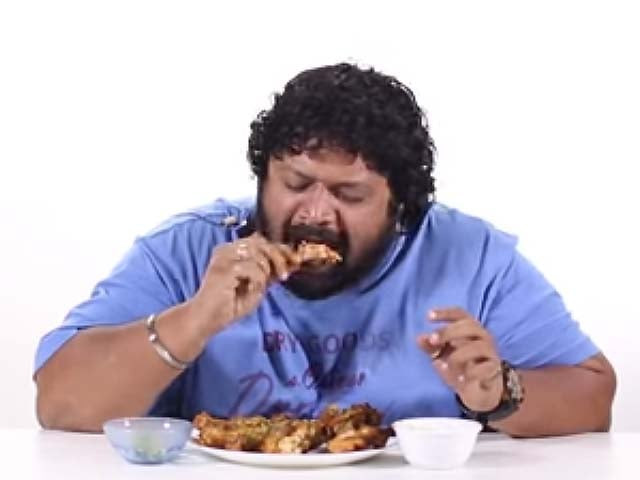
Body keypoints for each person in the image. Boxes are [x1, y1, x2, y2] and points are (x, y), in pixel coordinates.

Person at [34, 63, 616, 436]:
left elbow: (593, 396)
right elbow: (59, 405)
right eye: (295, 183)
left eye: (349, 194)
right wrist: (193, 321)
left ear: (402, 206)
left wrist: (498, 393)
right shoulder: (190, 248)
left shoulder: (468, 254)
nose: (314, 213)